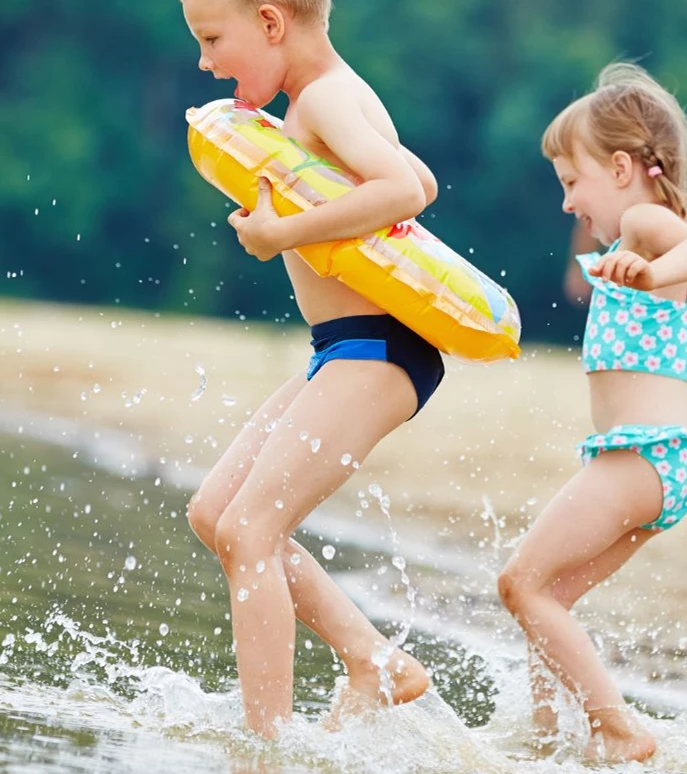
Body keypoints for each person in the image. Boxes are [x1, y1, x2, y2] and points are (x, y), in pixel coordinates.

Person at [179, 0, 444, 739]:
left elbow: (406, 189)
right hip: (344, 349)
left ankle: (264, 745)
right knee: (215, 514)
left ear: (270, 23)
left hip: (378, 348)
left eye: (210, 39)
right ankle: (373, 661)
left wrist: (278, 234)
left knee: (253, 530)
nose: (204, 61)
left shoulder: (326, 96)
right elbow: (411, 168)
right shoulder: (327, 100)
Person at [496, 61, 687, 763]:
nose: (566, 204)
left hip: (639, 458)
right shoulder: (657, 236)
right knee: (549, 596)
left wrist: (651, 271)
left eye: (571, 182)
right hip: (664, 467)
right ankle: (548, 737)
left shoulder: (651, 230)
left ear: (622, 168)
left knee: (518, 584)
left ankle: (613, 728)